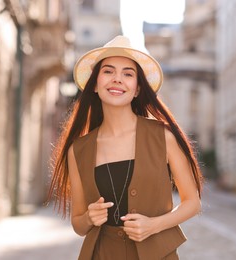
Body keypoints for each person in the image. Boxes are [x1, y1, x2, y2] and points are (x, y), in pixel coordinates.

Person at [46, 35, 203, 260]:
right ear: (95, 85)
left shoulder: (162, 136)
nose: (117, 79)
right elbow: (79, 225)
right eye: (108, 71)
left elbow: (192, 202)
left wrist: (154, 225)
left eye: (128, 74)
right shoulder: (78, 150)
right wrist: (90, 217)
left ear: (138, 89)